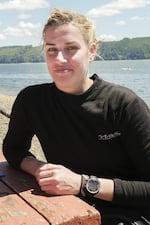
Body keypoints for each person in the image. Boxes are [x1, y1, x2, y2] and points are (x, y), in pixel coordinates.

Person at [2, 8, 150, 225]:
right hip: (66, 207)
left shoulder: (123, 104)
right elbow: (13, 150)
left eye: (71, 48)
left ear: (91, 50)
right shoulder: (32, 100)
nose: (60, 59)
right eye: (51, 49)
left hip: (128, 214)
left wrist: (82, 184)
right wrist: (42, 169)